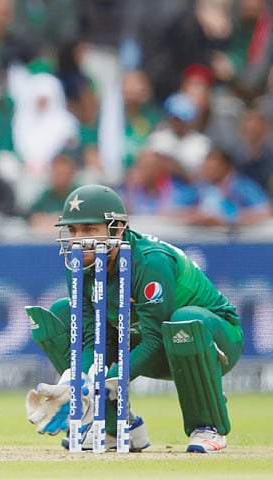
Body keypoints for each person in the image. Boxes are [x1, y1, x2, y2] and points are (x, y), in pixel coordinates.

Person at [24, 184, 244, 454]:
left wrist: (104, 382)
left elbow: (154, 339)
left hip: (215, 341)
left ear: (116, 228)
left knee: (182, 319)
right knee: (60, 312)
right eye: (72, 230)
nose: (78, 240)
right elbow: (94, 338)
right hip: (144, 342)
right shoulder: (79, 262)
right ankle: (117, 426)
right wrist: (74, 382)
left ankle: (208, 426)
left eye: (89, 230)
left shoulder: (150, 261)